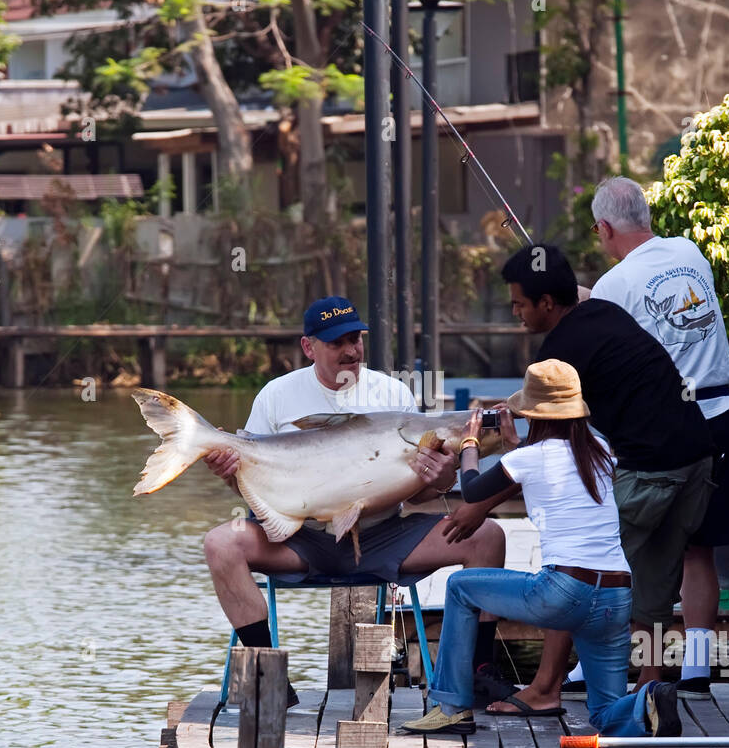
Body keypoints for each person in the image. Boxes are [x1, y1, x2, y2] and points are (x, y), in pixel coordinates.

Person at [203, 295, 506, 704]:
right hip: (300, 539)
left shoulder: (392, 394)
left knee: (489, 537)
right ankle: (266, 676)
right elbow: (254, 486)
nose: (350, 351)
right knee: (220, 543)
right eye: (336, 343)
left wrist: (443, 478)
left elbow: (417, 494)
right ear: (309, 347)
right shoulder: (276, 396)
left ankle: (478, 672)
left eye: (355, 339)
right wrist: (229, 475)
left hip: (384, 535)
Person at [400, 360, 680, 738]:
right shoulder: (598, 449)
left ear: (532, 413)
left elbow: (471, 490)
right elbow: (550, 466)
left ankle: (450, 708)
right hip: (616, 595)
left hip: (563, 592)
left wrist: (470, 443)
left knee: (460, 588)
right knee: (603, 713)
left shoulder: (527, 459)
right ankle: (648, 702)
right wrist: (516, 446)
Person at [497, 245, 716, 713]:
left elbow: (545, 450)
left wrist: (504, 446)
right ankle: (652, 684)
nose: (514, 311)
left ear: (547, 304)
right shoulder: (601, 311)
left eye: (519, 303)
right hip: (697, 457)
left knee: (579, 563)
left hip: (653, 470)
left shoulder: (558, 353)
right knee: (656, 577)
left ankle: (546, 687)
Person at [578, 175, 729, 698]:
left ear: (604, 228)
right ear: (646, 216)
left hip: (668, 425)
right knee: (699, 547)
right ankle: (696, 667)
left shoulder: (613, 286)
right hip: (721, 411)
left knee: (630, 547)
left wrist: (582, 302)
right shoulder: (689, 251)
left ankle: (602, 665)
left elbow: (609, 332)